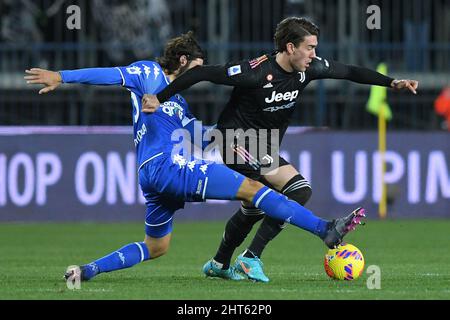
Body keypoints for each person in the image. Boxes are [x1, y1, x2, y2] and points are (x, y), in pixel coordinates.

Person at [25, 31, 364, 283]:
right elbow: (109, 75)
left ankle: (87, 270)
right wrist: (62, 77)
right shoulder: (147, 75)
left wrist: (231, 137)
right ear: (184, 62)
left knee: (157, 247)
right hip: (166, 166)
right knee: (253, 189)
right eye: (197, 70)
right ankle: (324, 229)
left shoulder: (179, 106)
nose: (198, 78)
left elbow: (199, 135)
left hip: (154, 177)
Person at [140, 17, 419, 283]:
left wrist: (391, 82)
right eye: (309, 48)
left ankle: (219, 263)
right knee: (297, 191)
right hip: (234, 140)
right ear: (290, 47)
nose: (313, 54)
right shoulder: (256, 71)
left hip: (263, 145)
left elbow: (349, 71)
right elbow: (201, 72)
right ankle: (252, 257)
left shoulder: (307, 69)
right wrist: (158, 98)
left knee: (254, 209)